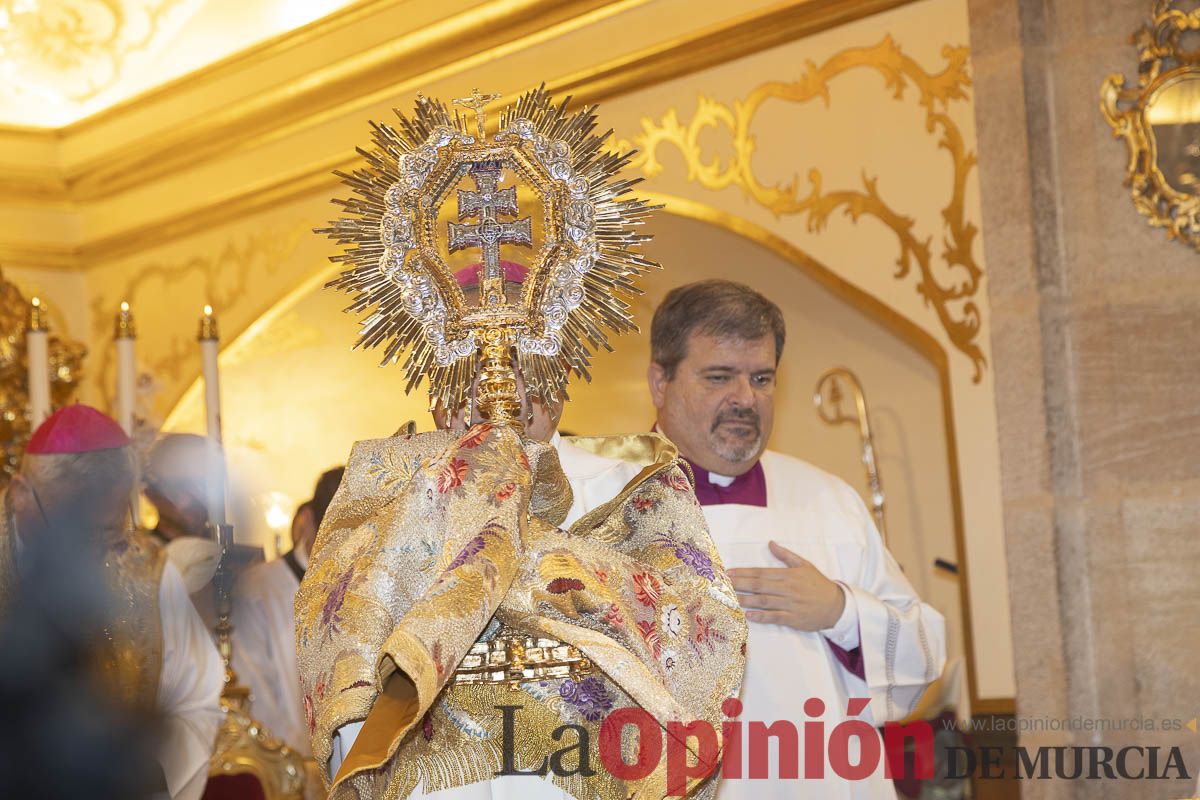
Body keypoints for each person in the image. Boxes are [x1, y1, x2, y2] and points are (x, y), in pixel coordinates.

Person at [297, 88, 746, 800]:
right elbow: (345, 650)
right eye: (472, 383)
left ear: (563, 383)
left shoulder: (631, 481)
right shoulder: (391, 491)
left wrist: (542, 558)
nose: (503, 403)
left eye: (529, 380)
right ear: (438, 392)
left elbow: (694, 630)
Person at [646, 280, 946, 799]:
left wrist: (842, 612)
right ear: (660, 382)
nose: (745, 398)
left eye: (762, 378)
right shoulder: (606, 498)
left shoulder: (829, 502)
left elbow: (922, 660)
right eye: (719, 377)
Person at [0, 405, 223, 800]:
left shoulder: (149, 573)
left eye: (107, 529)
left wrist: (147, 770)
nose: (90, 549)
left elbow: (196, 703)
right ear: (20, 495)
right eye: (73, 526)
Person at [233, 468, 344, 757]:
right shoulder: (257, 587)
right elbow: (255, 686)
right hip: (291, 762)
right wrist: (300, 757)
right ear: (313, 522)